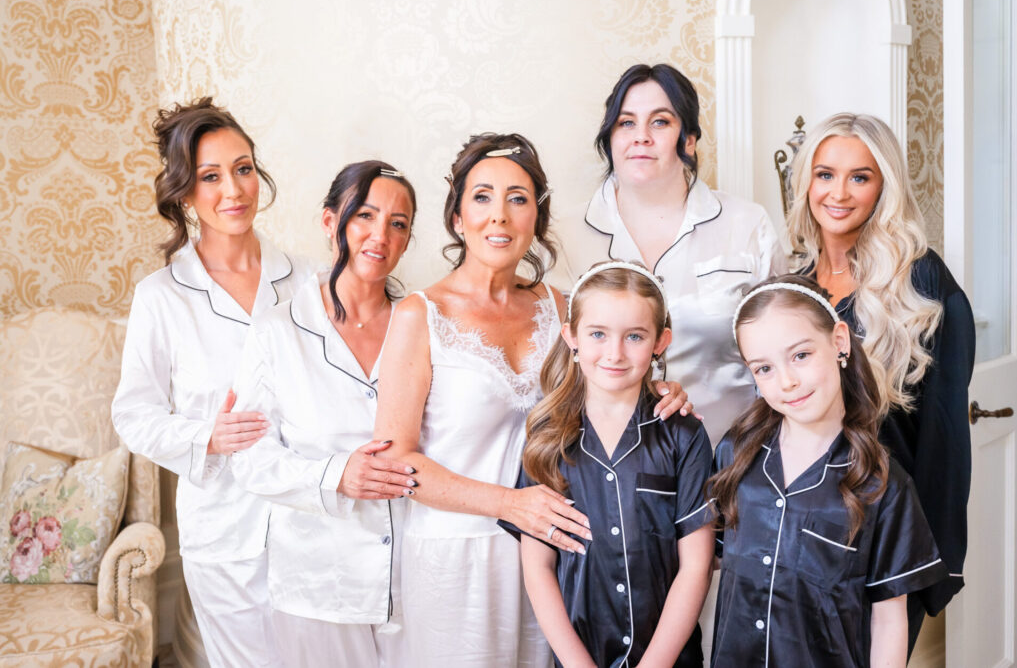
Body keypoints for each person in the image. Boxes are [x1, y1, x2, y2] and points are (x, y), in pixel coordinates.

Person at [374, 133, 690, 667]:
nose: (499, 215)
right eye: (482, 197)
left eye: (517, 198)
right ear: (457, 217)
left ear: (536, 220)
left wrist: (661, 391)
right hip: (458, 557)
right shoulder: (418, 315)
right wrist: (510, 505)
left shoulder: (565, 310)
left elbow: (607, 392)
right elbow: (394, 461)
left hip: (561, 556)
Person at [111, 97, 315, 666]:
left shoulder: (306, 280)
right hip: (225, 531)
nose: (234, 190)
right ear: (184, 192)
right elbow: (132, 413)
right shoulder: (163, 296)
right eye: (211, 176)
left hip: (310, 522)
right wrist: (208, 436)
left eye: (243, 168)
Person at [787, 113, 975, 645]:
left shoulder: (922, 283)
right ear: (805, 184)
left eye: (859, 177)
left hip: (886, 532)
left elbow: (944, 439)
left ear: (884, 187)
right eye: (824, 174)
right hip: (799, 527)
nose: (838, 193)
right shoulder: (793, 286)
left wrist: (936, 561)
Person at [224, 162, 420, 666]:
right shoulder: (277, 330)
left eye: (398, 224)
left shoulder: (422, 323)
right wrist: (337, 475)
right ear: (331, 222)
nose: (381, 235)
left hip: (416, 580)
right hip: (319, 586)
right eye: (365, 216)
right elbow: (249, 458)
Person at [708, 276, 948, 667]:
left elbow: (890, 622)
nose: (787, 382)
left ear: (838, 341)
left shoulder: (883, 484)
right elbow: (704, 563)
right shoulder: (734, 456)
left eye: (800, 355)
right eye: (764, 368)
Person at [560, 63, 787, 446]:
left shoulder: (747, 224)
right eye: (626, 123)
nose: (641, 138)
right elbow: (556, 370)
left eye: (660, 122)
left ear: (689, 139)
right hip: (608, 468)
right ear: (610, 137)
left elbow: (784, 352)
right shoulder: (564, 237)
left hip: (732, 461)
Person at [508, 261, 714, 667]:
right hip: (579, 654)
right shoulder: (547, 438)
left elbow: (697, 565)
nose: (615, 353)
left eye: (634, 336)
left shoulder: (683, 434)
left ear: (660, 341)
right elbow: (538, 568)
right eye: (598, 334)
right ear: (572, 337)